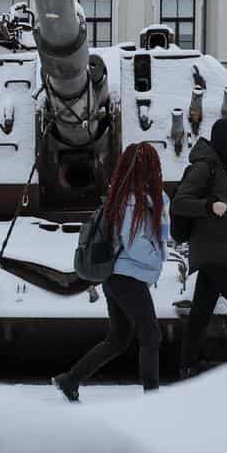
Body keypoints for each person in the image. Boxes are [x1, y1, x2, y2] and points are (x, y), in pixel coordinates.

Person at [52, 142, 170, 401]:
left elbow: (160, 234)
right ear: (144, 169)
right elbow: (134, 241)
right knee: (150, 335)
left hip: (117, 278)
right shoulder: (131, 201)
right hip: (127, 278)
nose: (157, 171)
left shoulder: (136, 197)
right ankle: (153, 397)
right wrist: (157, 257)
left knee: (118, 340)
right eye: (153, 166)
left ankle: (70, 379)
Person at [172, 118, 227, 378]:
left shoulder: (220, 167)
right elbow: (180, 202)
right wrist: (209, 206)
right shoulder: (205, 167)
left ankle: (188, 364)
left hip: (217, 252)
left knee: (201, 312)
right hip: (214, 254)